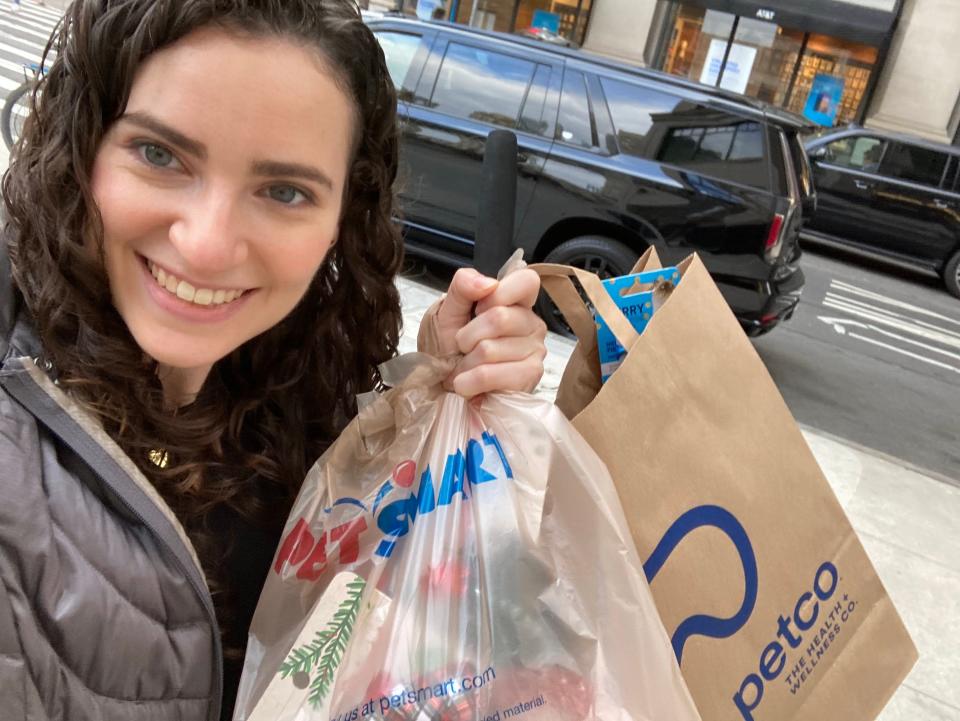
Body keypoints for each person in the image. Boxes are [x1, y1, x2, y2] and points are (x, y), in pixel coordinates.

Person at [0, 1, 547, 720]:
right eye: (159, 154)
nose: (205, 244)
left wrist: (435, 393)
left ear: (341, 221)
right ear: (85, 145)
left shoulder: (295, 374)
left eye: (284, 191)